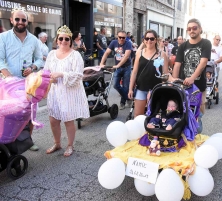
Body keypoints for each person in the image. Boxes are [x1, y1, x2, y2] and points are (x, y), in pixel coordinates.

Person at [0, 8, 43, 151]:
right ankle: (8, 142)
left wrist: (33, 66)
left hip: (28, 83)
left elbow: (39, 59)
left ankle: (28, 141)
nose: (20, 22)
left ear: (27, 22)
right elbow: (0, 60)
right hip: (8, 84)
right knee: (9, 114)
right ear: (11, 20)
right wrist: (8, 77)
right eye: (17, 19)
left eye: (23, 20)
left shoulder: (34, 40)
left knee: (29, 113)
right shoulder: (3, 37)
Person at [43, 25, 89, 157]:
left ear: (71, 41)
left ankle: (70, 145)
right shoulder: (51, 54)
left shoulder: (75, 55)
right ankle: (57, 143)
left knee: (68, 120)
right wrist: (47, 82)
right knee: (53, 120)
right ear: (57, 40)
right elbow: (46, 72)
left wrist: (62, 74)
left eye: (67, 39)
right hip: (55, 92)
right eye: (61, 38)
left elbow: (79, 75)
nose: (64, 41)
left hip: (69, 93)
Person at [172, 18, 212, 134]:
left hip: (198, 88)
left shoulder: (205, 43)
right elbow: (177, 65)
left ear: (200, 29)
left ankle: (196, 140)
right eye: (189, 29)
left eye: (194, 28)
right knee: (180, 113)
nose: (191, 30)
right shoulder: (183, 46)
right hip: (183, 87)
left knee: (196, 115)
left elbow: (203, 63)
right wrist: (174, 81)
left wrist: (192, 78)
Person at [128, 29, 169, 117]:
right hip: (141, 88)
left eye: (152, 39)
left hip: (156, 89)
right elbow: (134, 72)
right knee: (138, 116)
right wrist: (130, 89)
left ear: (156, 40)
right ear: (144, 40)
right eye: (147, 38)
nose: (149, 41)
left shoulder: (162, 54)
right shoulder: (139, 53)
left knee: (153, 116)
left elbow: (166, 74)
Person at [100, 30, 132, 110]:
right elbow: (106, 53)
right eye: (120, 37)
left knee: (125, 86)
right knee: (115, 85)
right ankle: (128, 99)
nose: (121, 39)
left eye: (123, 37)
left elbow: (126, 56)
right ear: (117, 37)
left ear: (126, 38)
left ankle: (122, 103)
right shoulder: (113, 43)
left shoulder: (128, 43)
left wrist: (118, 65)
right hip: (117, 67)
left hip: (126, 67)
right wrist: (101, 63)